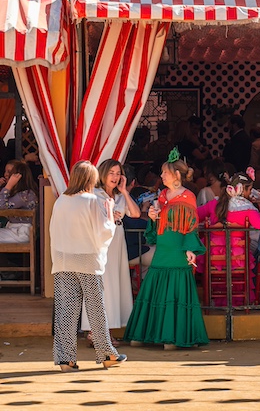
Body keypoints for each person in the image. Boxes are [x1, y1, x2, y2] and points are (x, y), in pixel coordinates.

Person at [124, 151, 208, 349]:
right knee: (154, 285)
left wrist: (190, 249)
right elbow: (157, 223)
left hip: (178, 249)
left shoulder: (188, 197)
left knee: (174, 289)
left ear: (176, 175)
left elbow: (191, 226)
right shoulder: (162, 195)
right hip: (163, 247)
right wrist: (153, 216)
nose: (161, 176)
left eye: (164, 172)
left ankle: (172, 337)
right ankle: (146, 334)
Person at [50, 161, 126, 372]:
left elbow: (53, 232)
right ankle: (107, 353)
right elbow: (104, 232)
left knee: (66, 310)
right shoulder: (91, 201)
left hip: (63, 260)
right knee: (95, 308)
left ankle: (66, 359)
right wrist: (110, 211)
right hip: (87, 260)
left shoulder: (60, 201)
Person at [81, 159, 141, 345]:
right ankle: (94, 332)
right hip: (100, 242)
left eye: (118, 173)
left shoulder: (120, 196)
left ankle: (106, 332)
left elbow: (136, 213)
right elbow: (88, 217)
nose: (115, 177)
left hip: (117, 241)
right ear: (103, 174)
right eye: (111, 173)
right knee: (101, 284)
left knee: (115, 284)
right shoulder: (94, 194)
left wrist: (124, 191)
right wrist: (106, 216)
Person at [198, 170, 260, 306]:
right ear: (243, 190)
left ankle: (213, 301)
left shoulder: (214, 204)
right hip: (238, 261)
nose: (250, 193)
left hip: (214, 260)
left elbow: (194, 215)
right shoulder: (248, 209)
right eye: (250, 189)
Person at [0, 159, 38, 244]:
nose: (6, 175)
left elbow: (1, 206)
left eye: (10, 173)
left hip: (20, 233)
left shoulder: (25, 195)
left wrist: (8, 186)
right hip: (15, 230)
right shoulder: (23, 193)